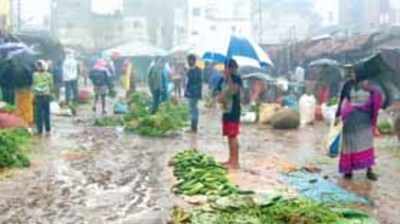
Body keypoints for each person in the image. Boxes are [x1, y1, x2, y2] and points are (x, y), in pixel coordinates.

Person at [335, 76, 383, 181]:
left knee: (365, 144)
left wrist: (372, 89)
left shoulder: (370, 85)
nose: (354, 74)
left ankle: (369, 170)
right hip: (349, 119)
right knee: (349, 144)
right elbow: (342, 99)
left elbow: (377, 100)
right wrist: (337, 115)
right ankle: (348, 171)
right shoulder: (348, 84)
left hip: (364, 120)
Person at [216, 59, 242, 169]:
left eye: (232, 68)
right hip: (225, 110)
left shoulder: (237, 79)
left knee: (233, 135)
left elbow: (234, 91)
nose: (229, 70)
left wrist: (230, 79)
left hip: (234, 110)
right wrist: (219, 97)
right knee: (228, 136)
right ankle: (230, 159)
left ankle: (235, 162)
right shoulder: (222, 80)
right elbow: (217, 93)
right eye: (228, 67)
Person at [32, 60, 53, 135]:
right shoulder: (49, 75)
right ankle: (48, 129)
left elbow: (33, 85)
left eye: (38, 66)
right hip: (46, 96)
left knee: (38, 114)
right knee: (46, 113)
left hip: (38, 96)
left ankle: (39, 130)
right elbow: (51, 86)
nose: (38, 67)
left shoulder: (34, 75)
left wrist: (33, 95)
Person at [185, 55, 202, 133]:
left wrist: (190, 92)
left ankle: (193, 128)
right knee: (193, 109)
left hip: (193, 93)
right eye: (188, 60)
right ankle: (193, 127)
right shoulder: (192, 70)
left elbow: (196, 82)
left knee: (193, 110)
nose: (188, 62)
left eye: (189, 60)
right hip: (193, 93)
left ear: (193, 61)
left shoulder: (195, 70)